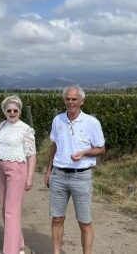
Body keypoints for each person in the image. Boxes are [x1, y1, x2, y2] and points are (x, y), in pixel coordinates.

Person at [44, 85, 105, 254]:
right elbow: (54, 146)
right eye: (67, 99)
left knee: (84, 221)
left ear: (82, 101)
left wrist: (85, 152)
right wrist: (48, 170)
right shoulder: (58, 120)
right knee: (57, 218)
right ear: (64, 100)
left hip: (81, 177)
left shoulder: (92, 122)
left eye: (74, 99)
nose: (71, 102)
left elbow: (101, 149)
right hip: (58, 175)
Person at [0, 95, 36, 254]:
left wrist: (30, 177)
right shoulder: (2, 125)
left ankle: (10, 251)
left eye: (15, 110)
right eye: (9, 110)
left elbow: (32, 154)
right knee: (6, 207)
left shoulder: (25, 129)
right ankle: (18, 245)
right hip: (1, 168)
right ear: (5, 111)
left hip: (17, 169)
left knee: (11, 210)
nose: (12, 113)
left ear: (19, 111)